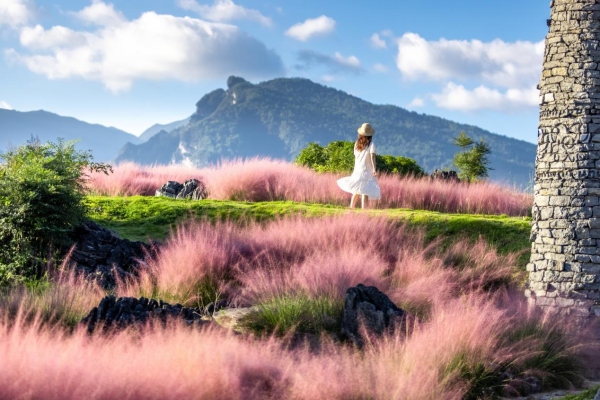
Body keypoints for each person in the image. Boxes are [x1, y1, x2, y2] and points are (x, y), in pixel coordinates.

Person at [337, 122, 381, 209]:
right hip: (366, 170)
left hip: (357, 170)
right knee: (365, 191)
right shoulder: (371, 144)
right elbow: (372, 157)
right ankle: (364, 210)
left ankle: (351, 208)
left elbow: (356, 156)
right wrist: (374, 169)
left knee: (356, 190)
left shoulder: (357, 144)